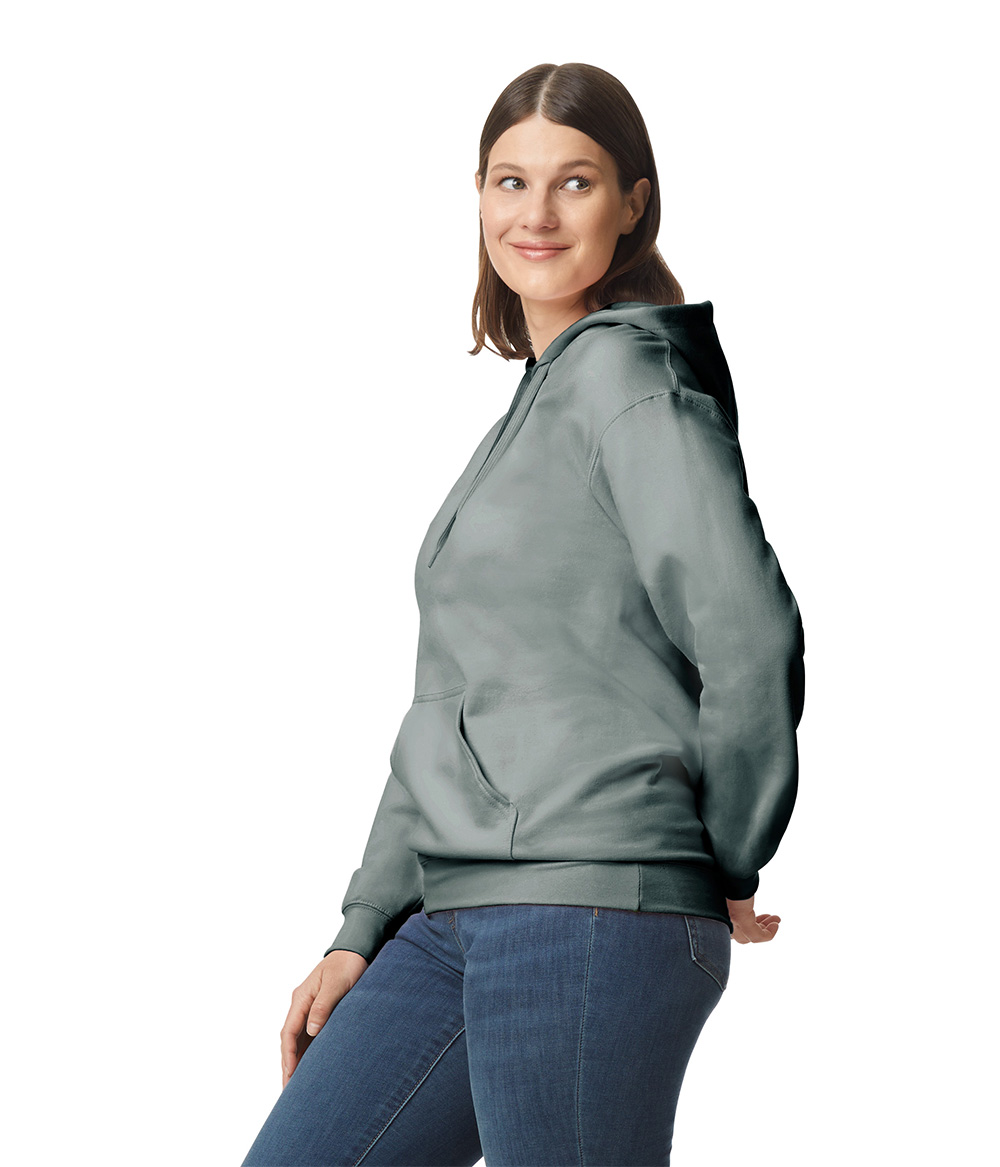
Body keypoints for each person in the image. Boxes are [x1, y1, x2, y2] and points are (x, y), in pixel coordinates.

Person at [241, 60, 806, 1167]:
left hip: (588, 911)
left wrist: (724, 854)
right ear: (479, 195)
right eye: (511, 181)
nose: (535, 213)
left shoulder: (628, 382)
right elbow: (451, 700)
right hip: (452, 912)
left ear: (633, 202)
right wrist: (363, 926)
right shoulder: (533, 411)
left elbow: (747, 631)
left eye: (574, 182)